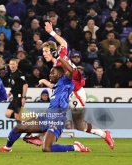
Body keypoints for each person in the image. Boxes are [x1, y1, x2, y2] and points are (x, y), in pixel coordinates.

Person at [25, 22, 115, 150]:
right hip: (69, 91)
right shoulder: (60, 56)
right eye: (43, 51)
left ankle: (104, 134)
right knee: (58, 114)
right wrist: (52, 33)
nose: (43, 54)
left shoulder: (59, 64)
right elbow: (64, 43)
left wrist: (46, 82)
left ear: (52, 51)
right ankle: (40, 136)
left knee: (75, 122)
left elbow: (67, 79)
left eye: (45, 51)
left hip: (75, 93)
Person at [0, 56, 90, 153]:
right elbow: (51, 86)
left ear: (60, 75)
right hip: (47, 118)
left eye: (52, 73)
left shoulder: (65, 82)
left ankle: (75, 147)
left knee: (47, 148)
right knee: (18, 128)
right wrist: (43, 81)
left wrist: (60, 59)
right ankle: (7, 148)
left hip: (57, 121)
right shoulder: (57, 86)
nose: (50, 75)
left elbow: (71, 71)